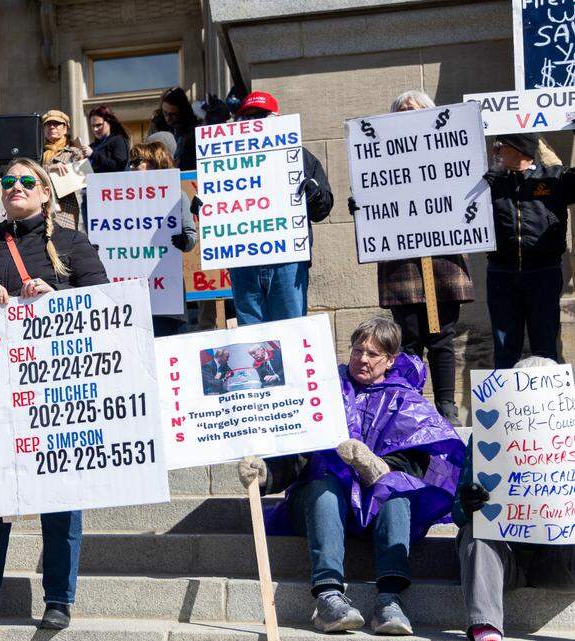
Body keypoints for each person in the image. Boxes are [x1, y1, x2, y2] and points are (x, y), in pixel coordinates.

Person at [0, 158, 108, 630]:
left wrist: (56, 296)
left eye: (27, 181)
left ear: (46, 192)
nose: (16, 187)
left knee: (60, 498)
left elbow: (105, 304)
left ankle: (58, 600)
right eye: (8, 181)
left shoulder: (73, 244)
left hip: (56, 390)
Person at [237, 317, 464, 635]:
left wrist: (376, 466)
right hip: (321, 503)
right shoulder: (323, 391)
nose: (362, 359)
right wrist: (266, 473)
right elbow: (299, 452)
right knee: (326, 485)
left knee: (397, 490)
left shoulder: (406, 400)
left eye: (372, 354)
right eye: (358, 350)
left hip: (375, 509)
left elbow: (418, 462)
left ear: (390, 360)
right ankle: (328, 597)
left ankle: (389, 600)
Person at [349, 90, 474, 425]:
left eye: (416, 110)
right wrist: (363, 206)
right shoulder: (378, 158)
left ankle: (446, 407)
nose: (409, 114)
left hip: (441, 259)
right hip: (401, 264)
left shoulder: (450, 152)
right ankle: (408, 406)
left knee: (442, 336)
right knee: (408, 339)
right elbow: (373, 191)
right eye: (402, 111)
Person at [454, 357, 575, 641]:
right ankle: (486, 627)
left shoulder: (569, 439)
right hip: (503, 557)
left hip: (558, 559)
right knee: (473, 530)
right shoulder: (484, 438)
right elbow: (457, 515)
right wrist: (467, 504)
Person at [225, 91, 333, 325]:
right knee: (253, 336)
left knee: (291, 330)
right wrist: (205, 209)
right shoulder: (226, 160)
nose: (253, 122)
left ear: (277, 118)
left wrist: (314, 195)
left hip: (287, 260)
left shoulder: (300, 157)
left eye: (260, 116)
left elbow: (322, 210)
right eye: (247, 117)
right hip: (244, 261)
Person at [482, 131, 575, 368]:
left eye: (500, 144)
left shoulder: (554, 178)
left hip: (544, 273)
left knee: (545, 348)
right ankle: (505, 393)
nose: (494, 150)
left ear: (519, 148)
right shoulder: (492, 181)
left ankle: (546, 393)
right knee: (504, 350)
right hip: (501, 274)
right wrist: (491, 178)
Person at [127, 141, 197, 336]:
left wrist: (184, 240)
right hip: (134, 285)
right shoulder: (120, 199)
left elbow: (191, 236)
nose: (131, 167)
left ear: (155, 163)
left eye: (137, 162)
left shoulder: (177, 195)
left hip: (167, 286)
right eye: (130, 163)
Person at [41, 109, 90, 230]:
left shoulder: (74, 152)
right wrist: (50, 168)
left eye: (56, 123)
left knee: (65, 240)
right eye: (48, 124)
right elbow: (31, 172)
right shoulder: (38, 153)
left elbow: (84, 176)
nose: (52, 126)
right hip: (41, 206)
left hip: (65, 209)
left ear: (65, 129)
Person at [148, 87, 200, 170]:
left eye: (173, 115)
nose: (168, 118)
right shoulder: (157, 124)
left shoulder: (191, 131)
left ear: (182, 112)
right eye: (165, 113)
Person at [86, 105, 129, 173]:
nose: (95, 129)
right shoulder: (93, 146)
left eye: (99, 125)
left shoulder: (118, 140)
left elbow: (119, 166)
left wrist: (93, 154)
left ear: (109, 122)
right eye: (92, 126)